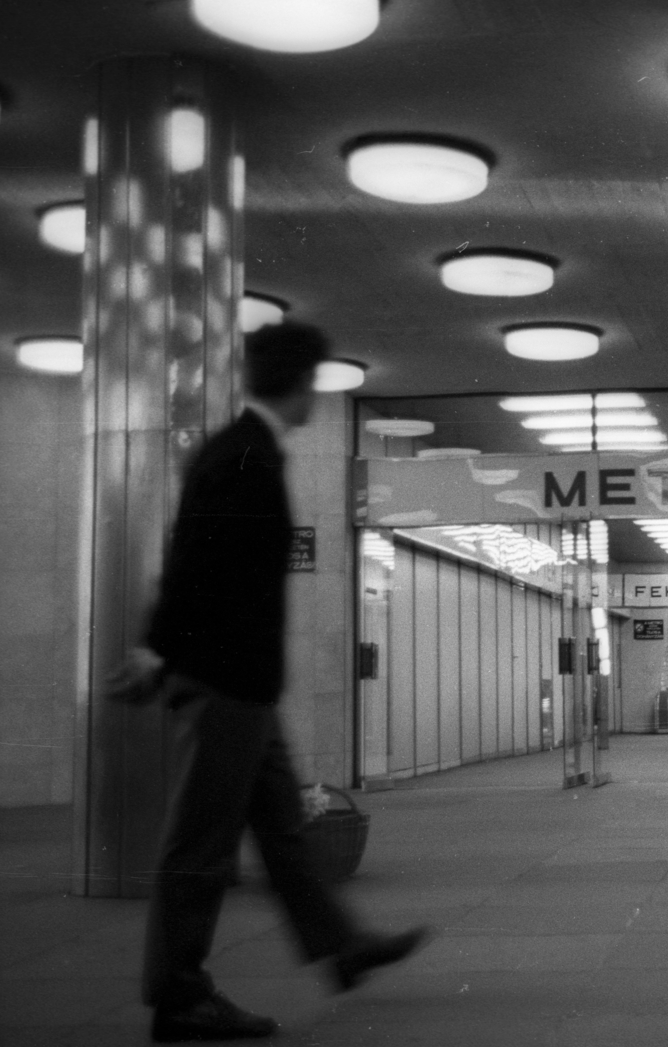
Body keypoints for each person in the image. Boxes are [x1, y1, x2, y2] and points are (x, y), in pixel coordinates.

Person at [139, 321, 427, 1041]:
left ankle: (344, 945)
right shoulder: (242, 458)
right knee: (201, 845)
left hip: (242, 686)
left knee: (284, 830)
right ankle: (179, 994)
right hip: (223, 684)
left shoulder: (245, 450)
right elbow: (194, 569)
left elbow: (194, 567)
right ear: (302, 383)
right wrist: (157, 651)